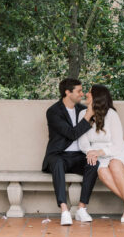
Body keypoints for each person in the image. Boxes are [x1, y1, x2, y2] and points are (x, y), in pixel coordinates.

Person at [77, 84, 124, 223]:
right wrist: (91, 152)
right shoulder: (82, 114)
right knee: (101, 171)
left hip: (117, 151)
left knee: (115, 165)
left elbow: (118, 143)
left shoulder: (112, 114)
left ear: (97, 97)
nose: (86, 95)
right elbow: (82, 141)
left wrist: (99, 151)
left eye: (89, 93)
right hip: (97, 154)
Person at [42, 77, 98, 226]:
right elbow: (72, 134)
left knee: (93, 163)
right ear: (67, 92)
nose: (82, 94)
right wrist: (88, 116)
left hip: (78, 155)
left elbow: (102, 122)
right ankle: (64, 210)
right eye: (79, 91)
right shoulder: (53, 111)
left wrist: (120, 139)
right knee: (58, 163)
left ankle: (81, 208)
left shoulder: (81, 109)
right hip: (58, 154)